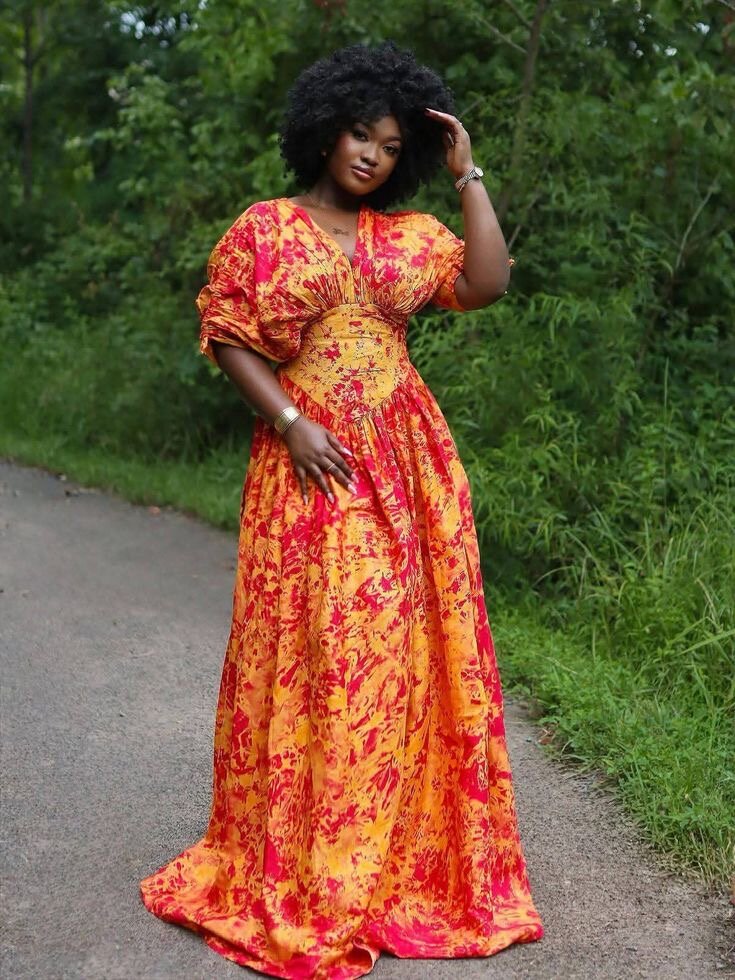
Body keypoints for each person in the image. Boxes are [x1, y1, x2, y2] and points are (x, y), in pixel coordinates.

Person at [139, 40, 543, 978]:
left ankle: (385, 860)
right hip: (312, 461)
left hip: (408, 460)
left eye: (392, 146)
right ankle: (320, 865)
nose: (372, 155)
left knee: (398, 651)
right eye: (361, 134)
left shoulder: (409, 238)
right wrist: (290, 422)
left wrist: (467, 172)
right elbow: (226, 333)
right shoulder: (267, 227)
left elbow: (486, 283)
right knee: (327, 645)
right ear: (325, 131)